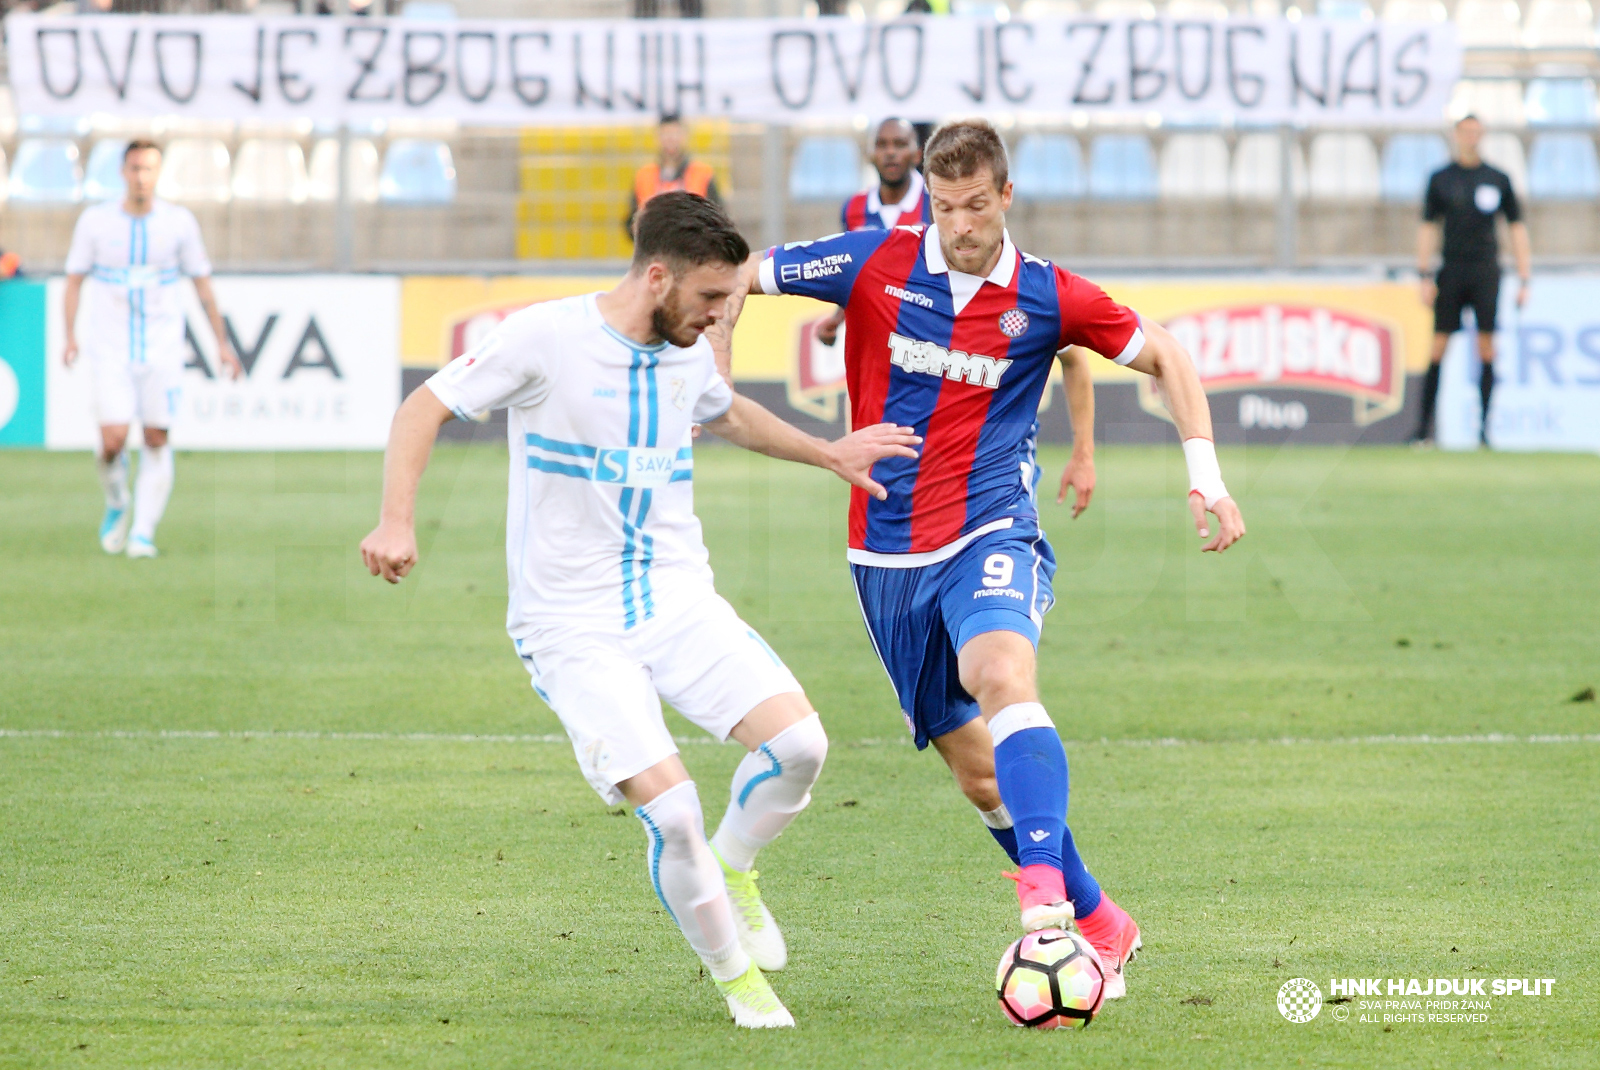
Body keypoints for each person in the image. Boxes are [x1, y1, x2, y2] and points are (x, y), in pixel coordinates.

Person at [357, 191, 919, 1029]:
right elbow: (423, 407)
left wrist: (828, 452)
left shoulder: (686, 348)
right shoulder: (544, 339)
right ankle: (739, 982)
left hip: (675, 599)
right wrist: (396, 518)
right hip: (571, 626)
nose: (721, 317)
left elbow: (731, 414)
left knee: (801, 746)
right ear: (658, 276)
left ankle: (735, 867)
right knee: (674, 811)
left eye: (728, 300)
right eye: (709, 300)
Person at [743, 118, 1245, 1000]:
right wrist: (706, 376)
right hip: (884, 555)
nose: (960, 225)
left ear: (1005, 198)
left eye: (975, 206)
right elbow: (739, 275)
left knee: (1002, 672)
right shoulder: (874, 259)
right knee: (979, 778)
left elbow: (1163, 351)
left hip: (989, 527)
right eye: (944, 208)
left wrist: (1204, 473)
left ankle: (1044, 903)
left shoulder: (1047, 297)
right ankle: (1101, 921)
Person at [62, 140, 240, 558]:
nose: (141, 177)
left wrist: (222, 343)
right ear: (123, 172)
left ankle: (143, 532)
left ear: (158, 174)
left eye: (149, 169)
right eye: (135, 168)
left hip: (162, 349)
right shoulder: (95, 222)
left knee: (157, 436)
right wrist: (69, 335)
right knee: (113, 440)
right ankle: (118, 500)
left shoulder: (179, 224)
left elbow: (202, 285)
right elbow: (73, 280)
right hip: (111, 348)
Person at [1414, 114, 1532, 447]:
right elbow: (1427, 227)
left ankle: (1484, 431)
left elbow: (1516, 228)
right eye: (1465, 131)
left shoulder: (1497, 178)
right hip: (1451, 270)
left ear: (1482, 135)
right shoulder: (1441, 179)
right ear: (1456, 135)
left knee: (1486, 346)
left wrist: (1525, 277)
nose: (1470, 137)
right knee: (1438, 346)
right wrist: (1423, 273)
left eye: (1475, 132)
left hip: (1485, 271)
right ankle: (1423, 431)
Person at [815, 117, 934, 347]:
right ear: (870, 154)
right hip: (874, 340)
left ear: (917, 154)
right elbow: (853, 273)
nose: (890, 152)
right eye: (882, 144)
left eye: (899, 144)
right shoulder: (853, 208)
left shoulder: (937, 204)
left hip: (925, 338)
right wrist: (836, 320)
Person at [625, 114, 722, 238]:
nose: (671, 139)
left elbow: (718, 221)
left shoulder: (703, 174)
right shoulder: (644, 176)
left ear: (685, 136)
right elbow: (631, 223)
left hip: (694, 251)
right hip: (654, 251)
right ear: (657, 137)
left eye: (675, 133)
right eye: (666, 134)